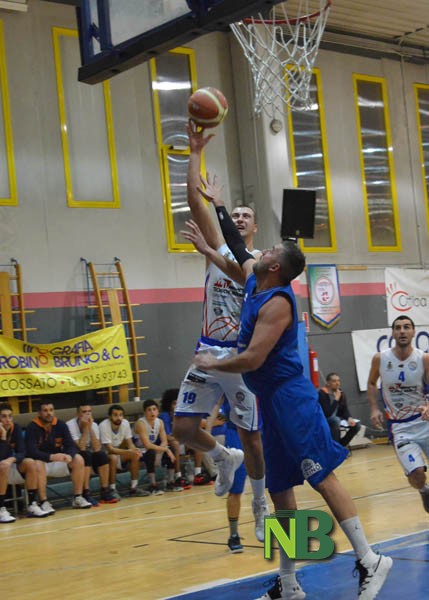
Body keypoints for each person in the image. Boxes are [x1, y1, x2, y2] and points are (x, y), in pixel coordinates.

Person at [187, 187, 392, 600]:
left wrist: (214, 364)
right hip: (269, 402)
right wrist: (219, 205)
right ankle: (289, 582)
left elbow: (252, 359)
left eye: (269, 251)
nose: (260, 251)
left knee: (321, 477)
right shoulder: (255, 279)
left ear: (276, 265)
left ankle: (370, 559)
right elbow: (234, 246)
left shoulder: (277, 303)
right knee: (280, 489)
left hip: (291, 399)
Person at [173, 121, 268, 543]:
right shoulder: (218, 246)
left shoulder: (262, 262)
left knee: (252, 439)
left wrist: (211, 251)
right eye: (237, 214)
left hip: (240, 356)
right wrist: (195, 151)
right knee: (182, 430)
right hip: (208, 349)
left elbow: (242, 272)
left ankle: (260, 503)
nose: (240, 218)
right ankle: (221, 457)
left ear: (254, 228)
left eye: (247, 216)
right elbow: (194, 200)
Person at [367, 315, 429, 514]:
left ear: (413, 332)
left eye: (406, 327)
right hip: (400, 427)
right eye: (398, 327)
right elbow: (371, 383)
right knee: (417, 475)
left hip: (424, 422)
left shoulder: (423, 358)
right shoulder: (381, 358)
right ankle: (423, 490)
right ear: (393, 333)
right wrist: (374, 408)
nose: (402, 331)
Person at [25, 401, 92, 512]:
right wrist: (51, 456)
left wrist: (69, 455)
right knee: (37, 463)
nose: (49, 413)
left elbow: (70, 445)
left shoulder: (60, 424)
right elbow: (31, 451)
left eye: (51, 410)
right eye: (45, 410)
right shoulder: (32, 427)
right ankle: (43, 501)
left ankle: (78, 497)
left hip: (57, 461)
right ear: (39, 413)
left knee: (78, 459)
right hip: (42, 462)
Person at [0, 403, 49, 521]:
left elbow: (22, 452)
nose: (8, 420)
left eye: (10, 416)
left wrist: (11, 459)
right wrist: (3, 437)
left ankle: (32, 504)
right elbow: (1, 455)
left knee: (30, 462)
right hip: (2, 466)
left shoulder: (15, 428)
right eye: (4, 416)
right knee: (3, 465)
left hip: (8, 465)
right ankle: (1, 508)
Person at [66, 404, 118, 505]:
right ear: (78, 414)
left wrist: (90, 428)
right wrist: (86, 429)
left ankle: (105, 491)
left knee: (101, 455)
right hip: (74, 458)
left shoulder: (94, 425)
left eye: (89, 411)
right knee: (85, 455)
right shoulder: (70, 425)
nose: (87, 414)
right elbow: (81, 447)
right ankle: (86, 492)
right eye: (84, 412)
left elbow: (97, 448)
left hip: (88, 455)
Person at [99, 404, 149, 498]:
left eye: (121, 415)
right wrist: (129, 452)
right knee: (113, 458)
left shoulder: (125, 423)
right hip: (104, 457)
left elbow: (130, 443)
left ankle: (134, 488)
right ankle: (112, 489)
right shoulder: (103, 425)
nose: (118, 418)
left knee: (135, 455)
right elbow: (110, 449)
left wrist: (134, 450)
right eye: (115, 415)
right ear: (109, 416)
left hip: (119, 453)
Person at [134, 399, 182, 494]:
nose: (152, 412)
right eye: (149, 410)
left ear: (158, 411)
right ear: (144, 412)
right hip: (139, 449)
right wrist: (165, 450)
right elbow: (147, 445)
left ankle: (171, 482)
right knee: (152, 452)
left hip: (154, 447)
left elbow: (164, 441)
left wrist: (165, 450)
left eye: (154, 409)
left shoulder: (160, 422)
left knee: (171, 450)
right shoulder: (141, 423)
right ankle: (153, 485)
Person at [159, 389, 192, 489]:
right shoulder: (164, 416)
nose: (177, 406)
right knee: (175, 444)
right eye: (174, 403)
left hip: (179, 440)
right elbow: (166, 436)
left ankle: (198, 473)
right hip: (165, 443)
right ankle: (178, 476)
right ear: (169, 404)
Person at [319, 373, 361, 447]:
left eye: (338, 381)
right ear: (328, 383)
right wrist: (336, 399)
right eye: (334, 381)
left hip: (337, 418)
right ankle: (336, 447)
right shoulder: (322, 394)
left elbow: (344, 409)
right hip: (325, 419)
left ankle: (340, 446)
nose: (337, 383)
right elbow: (327, 413)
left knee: (357, 425)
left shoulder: (340, 393)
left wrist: (349, 418)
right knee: (335, 420)